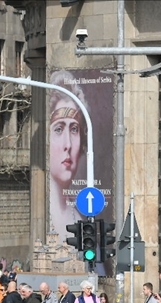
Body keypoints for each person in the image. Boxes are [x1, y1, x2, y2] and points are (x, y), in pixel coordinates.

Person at [48, 70, 88, 240]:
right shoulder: (45, 220)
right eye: (58, 129)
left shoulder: (81, 220)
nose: (68, 145)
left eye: (74, 129)